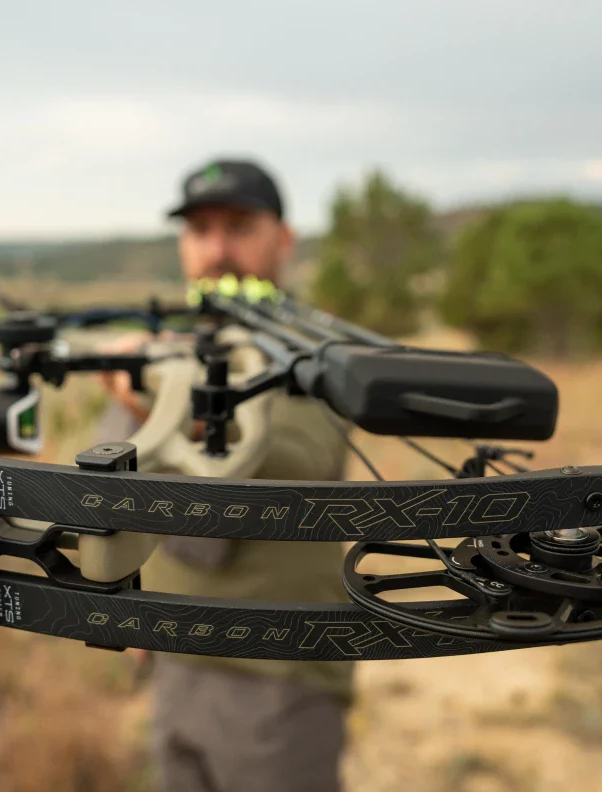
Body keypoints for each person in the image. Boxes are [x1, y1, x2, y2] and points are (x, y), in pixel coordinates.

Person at [95, 158, 355, 792]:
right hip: (171, 656)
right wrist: (121, 600)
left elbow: (297, 461)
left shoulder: (316, 350)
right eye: (201, 230)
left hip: (276, 671)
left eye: (239, 226)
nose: (217, 249)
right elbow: (110, 472)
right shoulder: (175, 347)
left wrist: (164, 397)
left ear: (283, 240)